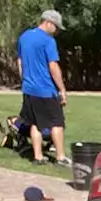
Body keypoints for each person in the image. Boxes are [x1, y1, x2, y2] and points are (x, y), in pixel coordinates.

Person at [16, 10, 69, 166]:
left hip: (28, 88)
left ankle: (38, 157)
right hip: (45, 90)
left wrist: (24, 80)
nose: (57, 31)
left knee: (35, 124)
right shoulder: (48, 41)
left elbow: (20, 62)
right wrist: (62, 88)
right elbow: (52, 65)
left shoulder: (24, 37)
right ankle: (60, 158)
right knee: (57, 123)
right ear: (48, 23)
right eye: (56, 27)